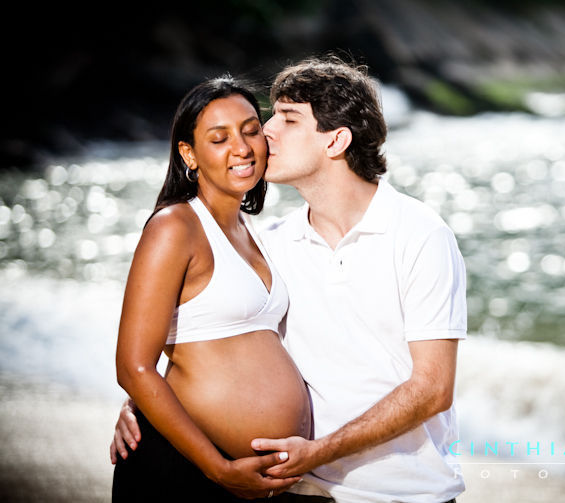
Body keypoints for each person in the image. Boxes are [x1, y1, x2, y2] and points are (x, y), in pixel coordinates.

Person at [112, 56, 467, 503]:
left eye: (287, 119)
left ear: (336, 140)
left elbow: (432, 389)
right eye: (270, 116)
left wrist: (318, 451)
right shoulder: (275, 243)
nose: (265, 132)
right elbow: (199, 336)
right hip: (300, 489)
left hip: (401, 491)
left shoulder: (419, 233)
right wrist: (143, 405)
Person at [110, 75, 311, 501]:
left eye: (251, 130)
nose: (242, 148)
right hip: (187, 470)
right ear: (190, 154)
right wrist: (218, 469)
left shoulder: (253, 230)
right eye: (219, 139)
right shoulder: (175, 227)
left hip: (247, 479)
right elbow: (133, 366)